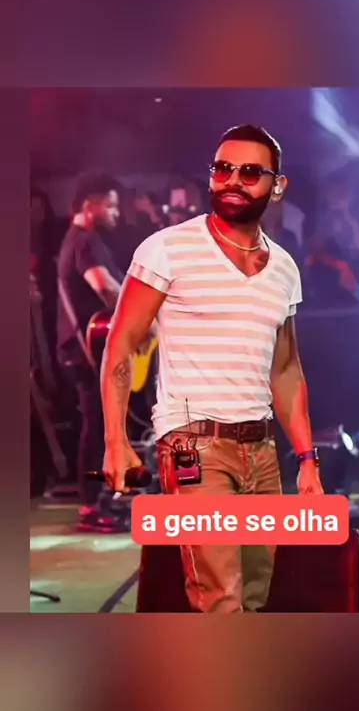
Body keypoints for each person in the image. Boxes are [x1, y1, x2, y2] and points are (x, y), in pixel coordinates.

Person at [101, 124, 325, 612]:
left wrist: (307, 460)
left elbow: (286, 368)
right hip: (194, 446)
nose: (232, 180)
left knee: (255, 597)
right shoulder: (167, 248)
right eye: (223, 169)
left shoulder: (284, 268)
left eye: (249, 172)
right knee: (222, 599)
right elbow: (120, 345)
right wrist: (116, 441)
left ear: (277, 185)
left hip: (261, 450)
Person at [56, 170, 129, 532]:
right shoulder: (85, 241)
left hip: (86, 348)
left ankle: (101, 499)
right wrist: (142, 318)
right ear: (90, 205)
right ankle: (90, 505)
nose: (116, 212)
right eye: (111, 206)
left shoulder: (79, 240)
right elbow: (106, 288)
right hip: (85, 350)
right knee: (96, 425)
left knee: (100, 424)